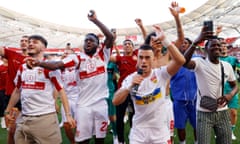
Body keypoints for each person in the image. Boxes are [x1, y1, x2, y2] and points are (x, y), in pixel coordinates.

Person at [25, 10, 114, 144]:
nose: (88, 43)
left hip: (101, 104)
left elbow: (110, 37)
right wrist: (40, 63)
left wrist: (95, 20)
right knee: (83, 140)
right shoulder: (77, 58)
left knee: (100, 139)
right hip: (83, 106)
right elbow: (57, 65)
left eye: (91, 41)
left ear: (98, 44)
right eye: (86, 41)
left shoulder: (103, 55)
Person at [113, 25, 185, 144]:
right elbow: (116, 101)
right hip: (139, 132)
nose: (144, 61)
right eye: (141, 57)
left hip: (160, 132)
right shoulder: (131, 79)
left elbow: (180, 61)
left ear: (153, 60)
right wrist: (129, 87)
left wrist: (165, 40)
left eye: (147, 58)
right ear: (137, 60)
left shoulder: (161, 74)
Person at [4, 35, 76, 144]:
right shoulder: (22, 67)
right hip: (24, 119)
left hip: (45, 119)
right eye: (29, 42)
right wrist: (7, 111)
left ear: (43, 48)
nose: (30, 44)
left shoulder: (49, 67)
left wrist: (68, 115)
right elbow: (17, 90)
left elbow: (61, 90)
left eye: (35, 42)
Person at [183, 26, 238, 144]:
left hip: (223, 112)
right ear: (206, 49)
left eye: (218, 45)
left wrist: (230, 95)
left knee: (226, 142)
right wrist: (196, 42)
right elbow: (184, 62)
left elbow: (235, 85)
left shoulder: (226, 66)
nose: (217, 47)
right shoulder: (199, 63)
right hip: (204, 113)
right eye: (213, 45)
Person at [0, 35, 29, 144]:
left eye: (26, 41)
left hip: (28, 97)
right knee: (12, 129)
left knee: (28, 130)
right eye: (22, 40)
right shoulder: (13, 55)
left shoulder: (35, 60)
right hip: (12, 96)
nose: (24, 42)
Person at [170, 37, 198, 144]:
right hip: (179, 100)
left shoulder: (198, 59)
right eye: (181, 43)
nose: (183, 44)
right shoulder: (173, 61)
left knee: (197, 125)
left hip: (195, 100)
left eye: (186, 43)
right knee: (180, 125)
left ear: (191, 45)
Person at [110, 38, 137, 144]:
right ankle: (121, 140)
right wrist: (111, 43)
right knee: (120, 116)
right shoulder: (120, 58)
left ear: (133, 47)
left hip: (136, 91)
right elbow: (108, 57)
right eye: (125, 44)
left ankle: (134, 136)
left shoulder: (137, 56)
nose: (127, 45)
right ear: (123, 47)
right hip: (123, 90)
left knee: (135, 115)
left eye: (129, 44)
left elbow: (146, 43)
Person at [219, 39, 239, 140]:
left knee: (233, 113)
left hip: (232, 89)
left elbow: (238, 69)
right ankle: (221, 131)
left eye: (224, 45)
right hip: (219, 89)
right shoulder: (215, 59)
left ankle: (230, 131)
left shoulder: (233, 59)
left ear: (227, 47)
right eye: (221, 45)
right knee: (220, 113)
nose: (223, 47)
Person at [59, 48, 78, 144]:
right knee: (66, 125)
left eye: (68, 53)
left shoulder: (78, 66)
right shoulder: (59, 68)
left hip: (79, 98)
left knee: (79, 124)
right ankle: (73, 142)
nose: (65, 54)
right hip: (66, 99)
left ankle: (80, 140)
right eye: (64, 53)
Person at [0, 57, 8, 128]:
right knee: (2, 105)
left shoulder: (11, 67)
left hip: (10, 90)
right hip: (2, 89)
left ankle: (9, 121)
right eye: (4, 58)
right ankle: (3, 121)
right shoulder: (1, 68)